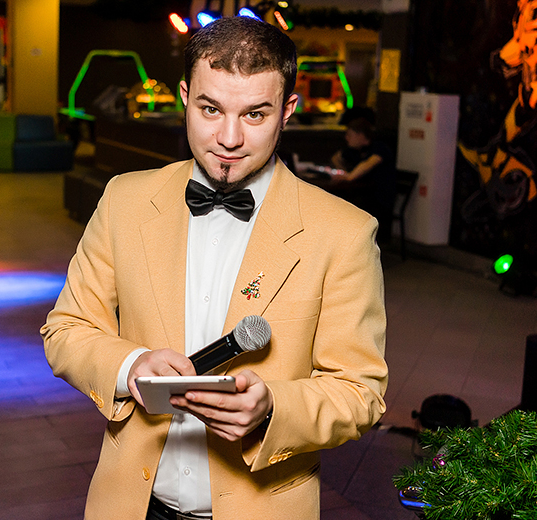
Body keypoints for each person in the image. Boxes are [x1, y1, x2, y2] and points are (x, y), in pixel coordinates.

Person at [41, 16, 387, 520]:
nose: (229, 137)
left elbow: (360, 393)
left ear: (288, 111)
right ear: (184, 97)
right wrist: (130, 364)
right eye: (210, 109)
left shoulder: (344, 232)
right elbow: (66, 329)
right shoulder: (124, 200)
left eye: (255, 114)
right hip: (132, 505)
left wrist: (273, 408)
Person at [328, 117, 396, 243]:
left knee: (342, 207)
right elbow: (336, 158)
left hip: (379, 198)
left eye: (350, 135)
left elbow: (368, 164)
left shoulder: (379, 148)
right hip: (364, 194)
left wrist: (349, 176)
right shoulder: (355, 150)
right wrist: (344, 171)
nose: (346, 138)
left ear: (360, 135)